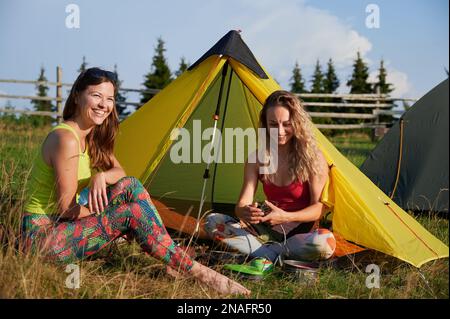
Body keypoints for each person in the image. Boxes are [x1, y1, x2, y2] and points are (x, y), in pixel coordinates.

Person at [21, 67, 250, 296]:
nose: (104, 104)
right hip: (44, 237)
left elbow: (120, 172)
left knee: (130, 185)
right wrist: (114, 217)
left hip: (64, 226)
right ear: (77, 96)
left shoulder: (89, 136)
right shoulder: (66, 139)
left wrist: (101, 176)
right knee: (130, 213)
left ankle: (172, 256)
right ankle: (203, 274)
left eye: (109, 98)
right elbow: (67, 210)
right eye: (96, 95)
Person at [205, 90, 336, 264]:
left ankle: (265, 254)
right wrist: (246, 211)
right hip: (265, 230)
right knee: (212, 221)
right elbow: (241, 206)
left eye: (287, 124)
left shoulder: (313, 157)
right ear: (265, 125)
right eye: (273, 124)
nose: (280, 131)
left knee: (324, 243)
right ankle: (276, 256)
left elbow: (319, 209)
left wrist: (286, 217)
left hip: (300, 234)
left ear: (297, 123)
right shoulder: (256, 159)